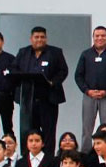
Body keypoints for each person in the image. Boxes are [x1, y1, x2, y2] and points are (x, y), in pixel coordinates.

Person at [14, 27, 69, 155]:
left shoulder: (55, 52)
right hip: (28, 100)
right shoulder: (23, 52)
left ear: (46, 38)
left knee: (49, 133)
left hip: (48, 100)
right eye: (36, 37)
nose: (39, 40)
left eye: (42, 37)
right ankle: (28, 160)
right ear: (31, 39)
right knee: (29, 132)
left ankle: (48, 160)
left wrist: (52, 82)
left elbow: (63, 71)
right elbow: (14, 68)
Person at [74, 26, 106, 153]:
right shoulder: (86, 54)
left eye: (103, 35)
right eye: (97, 36)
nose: (100, 38)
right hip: (89, 96)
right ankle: (85, 155)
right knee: (87, 129)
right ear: (93, 37)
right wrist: (87, 91)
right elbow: (78, 76)